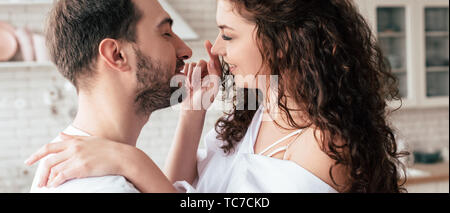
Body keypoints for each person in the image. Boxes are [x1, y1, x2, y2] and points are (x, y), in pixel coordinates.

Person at [26, 0, 409, 193]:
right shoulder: (254, 114)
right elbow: (187, 190)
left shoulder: (326, 145)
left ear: (283, 42)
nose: (214, 51)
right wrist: (193, 112)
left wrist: (132, 160)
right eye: (165, 33)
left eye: (228, 35)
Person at [27, 0, 220, 192]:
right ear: (117, 55)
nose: (186, 51)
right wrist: (133, 160)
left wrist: (192, 112)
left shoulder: (72, 160)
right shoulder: (107, 186)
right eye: (166, 34)